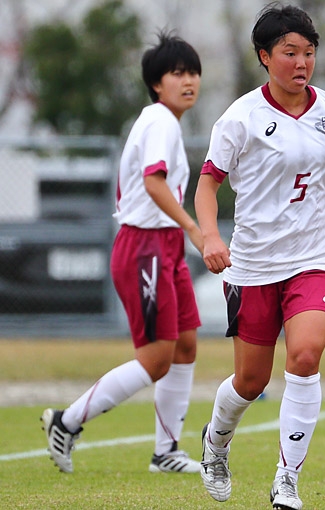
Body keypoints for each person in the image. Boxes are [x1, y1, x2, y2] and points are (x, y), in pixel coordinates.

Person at [193, 4, 325, 509]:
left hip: (316, 255)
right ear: (265, 56)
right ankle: (215, 441)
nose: (301, 63)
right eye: (289, 53)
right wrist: (211, 236)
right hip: (253, 263)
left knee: (304, 356)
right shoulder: (240, 117)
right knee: (251, 382)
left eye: (309, 53)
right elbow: (207, 185)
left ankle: (287, 480)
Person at [40, 32, 204, 475]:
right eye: (177, 73)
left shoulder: (166, 121)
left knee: (186, 345)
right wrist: (195, 228)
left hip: (163, 245)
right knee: (156, 360)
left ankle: (166, 451)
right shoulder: (159, 121)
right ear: (156, 83)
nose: (188, 81)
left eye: (193, 72)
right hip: (145, 246)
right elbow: (153, 183)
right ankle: (66, 421)